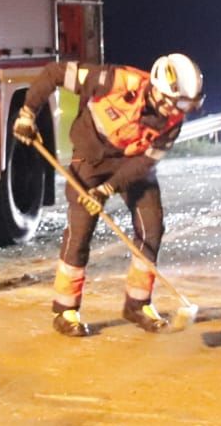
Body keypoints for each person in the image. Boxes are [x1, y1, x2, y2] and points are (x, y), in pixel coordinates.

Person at [13, 54, 203, 337]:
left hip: (132, 166)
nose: (176, 111)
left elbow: (145, 163)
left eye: (185, 105)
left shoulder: (173, 120)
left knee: (152, 228)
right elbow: (53, 73)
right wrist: (28, 113)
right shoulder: (111, 80)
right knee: (80, 233)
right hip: (90, 160)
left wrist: (107, 189)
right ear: (156, 88)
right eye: (175, 103)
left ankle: (137, 305)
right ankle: (65, 311)